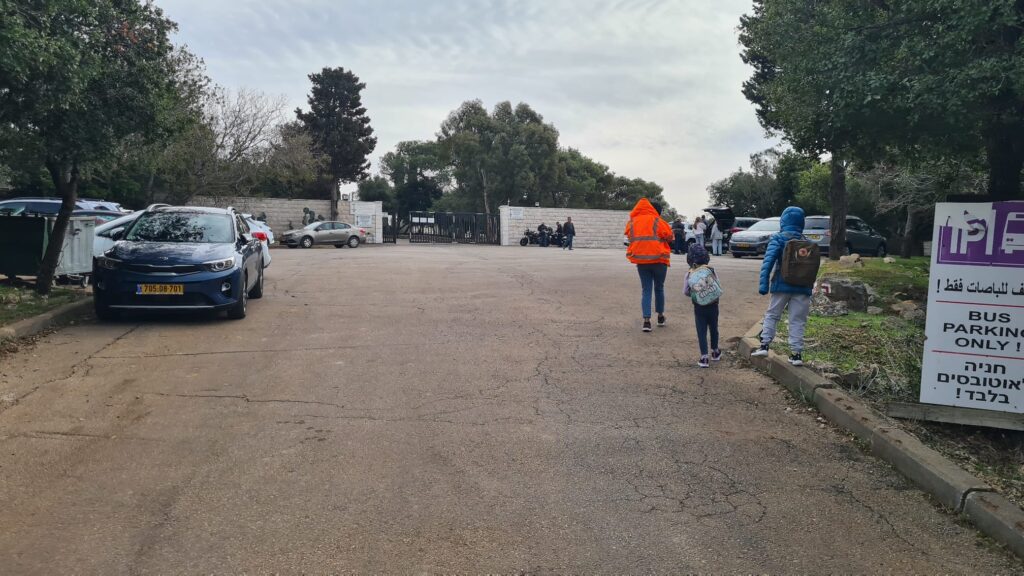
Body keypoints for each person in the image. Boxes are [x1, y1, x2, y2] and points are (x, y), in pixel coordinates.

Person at [751, 206, 813, 366]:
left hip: (781, 285)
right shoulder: (808, 243)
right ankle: (796, 354)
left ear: (783, 221)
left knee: (772, 314)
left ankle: (764, 345)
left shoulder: (778, 239)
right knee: (798, 320)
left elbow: (768, 263)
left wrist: (764, 285)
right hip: (803, 288)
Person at [624, 198, 674, 332]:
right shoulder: (659, 221)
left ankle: (646, 322)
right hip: (659, 260)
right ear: (657, 211)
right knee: (659, 288)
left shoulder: (632, 222)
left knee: (646, 290)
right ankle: (660, 317)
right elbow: (670, 237)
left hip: (642, 262)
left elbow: (629, 237)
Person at [684, 243, 721, 367]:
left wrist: (697, 294)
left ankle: (704, 357)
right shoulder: (711, 270)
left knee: (701, 330)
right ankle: (715, 352)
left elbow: (686, 291)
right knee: (714, 328)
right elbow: (717, 285)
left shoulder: (690, 273)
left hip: (699, 306)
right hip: (714, 304)